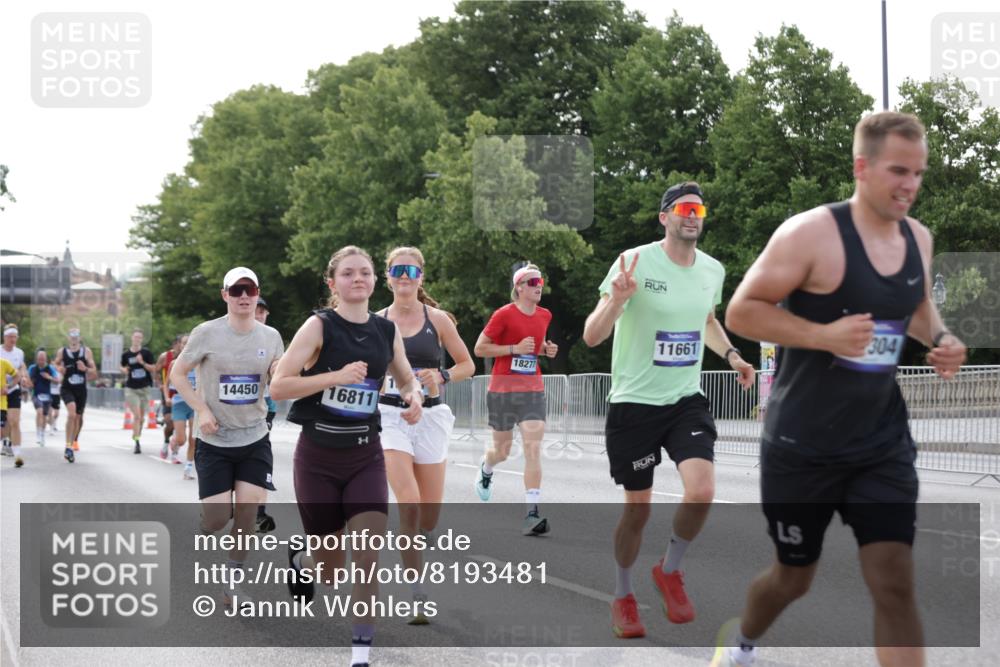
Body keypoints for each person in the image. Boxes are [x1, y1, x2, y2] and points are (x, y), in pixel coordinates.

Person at [712, 111, 967, 667]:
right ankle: (741, 643)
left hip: (880, 443)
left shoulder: (917, 238)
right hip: (802, 448)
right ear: (862, 167)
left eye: (919, 173)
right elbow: (742, 311)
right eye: (899, 171)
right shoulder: (811, 234)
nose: (911, 186)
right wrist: (821, 335)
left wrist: (942, 336)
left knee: (894, 580)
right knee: (793, 578)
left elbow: (917, 306)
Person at [582, 181, 755, 638]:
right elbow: (592, 336)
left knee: (701, 491)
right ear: (664, 217)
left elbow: (707, 319)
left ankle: (669, 569)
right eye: (682, 208)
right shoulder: (633, 263)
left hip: (684, 400)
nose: (692, 215)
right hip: (634, 405)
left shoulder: (712, 270)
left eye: (699, 208)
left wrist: (733, 355)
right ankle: (623, 594)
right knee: (637, 513)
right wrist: (618, 299)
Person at [270, 245, 423, 667]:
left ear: (375, 281)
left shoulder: (385, 331)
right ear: (332, 282)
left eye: (366, 273)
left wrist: (413, 397)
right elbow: (278, 387)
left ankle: (360, 655)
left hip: (364, 455)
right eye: (349, 273)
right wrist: (334, 377)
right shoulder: (318, 326)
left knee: (368, 556)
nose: (358, 279)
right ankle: (301, 558)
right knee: (331, 571)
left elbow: (406, 377)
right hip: (317, 459)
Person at [169, 267, 284, 610]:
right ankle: (213, 517)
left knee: (248, 511)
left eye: (249, 290)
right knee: (219, 519)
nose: (244, 296)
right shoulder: (206, 333)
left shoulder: (271, 336)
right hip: (215, 441)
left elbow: (278, 374)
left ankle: (232, 581)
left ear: (257, 292)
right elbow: (178, 373)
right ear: (225, 296)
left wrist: (281, 375)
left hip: (254, 437)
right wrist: (202, 410)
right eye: (236, 291)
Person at [377, 246, 474, 623]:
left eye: (411, 271)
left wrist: (443, 375)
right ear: (387, 276)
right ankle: (417, 594)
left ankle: (418, 537)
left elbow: (466, 363)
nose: (404, 276)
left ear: (421, 277)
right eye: (398, 270)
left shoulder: (438, 320)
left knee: (428, 517)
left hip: (431, 419)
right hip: (390, 416)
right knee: (411, 504)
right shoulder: (375, 322)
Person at [473, 263, 558, 536]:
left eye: (540, 281)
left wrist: (547, 349)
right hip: (502, 390)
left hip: (532, 388)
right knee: (503, 451)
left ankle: (531, 514)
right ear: (519, 287)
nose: (538, 286)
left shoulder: (545, 315)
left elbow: (537, 344)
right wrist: (513, 349)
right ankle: (487, 469)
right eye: (533, 282)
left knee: (533, 448)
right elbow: (479, 348)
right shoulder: (504, 315)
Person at [54, 328, 96, 463]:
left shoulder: (86, 351)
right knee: (71, 414)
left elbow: (94, 372)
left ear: (79, 338)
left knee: (78, 418)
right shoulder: (62, 351)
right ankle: (67, 445)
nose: (73, 338)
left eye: (76, 336)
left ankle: (71, 446)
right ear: (68, 338)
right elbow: (55, 363)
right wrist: (59, 368)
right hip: (67, 388)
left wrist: (86, 368)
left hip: (81, 390)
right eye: (71, 336)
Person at [254, 297, 277, 532]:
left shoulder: (273, 338)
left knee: (261, 459)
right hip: (234, 410)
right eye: (255, 311)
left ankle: (260, 513)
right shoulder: (233, 337)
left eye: (263, 311)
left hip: (265, 407)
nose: (259, 315)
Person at [120, 328, 157, 454]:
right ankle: (137, 442)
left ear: (142, 339)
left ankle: (137, 435)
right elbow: (122, 366)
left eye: (139, 337)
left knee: (141, 419)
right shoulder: (126, 354)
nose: (137, 339)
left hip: (144, 388)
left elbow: (153, 368)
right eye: (135, 337)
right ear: (132, 338)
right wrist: (124, 370)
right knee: (136, 416)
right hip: (131, 388)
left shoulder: (146, 353)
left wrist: (142, 363)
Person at [168, 334, 198, 479]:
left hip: (194, 404)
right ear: (180, 345)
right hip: (179, 403)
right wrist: (167, 397)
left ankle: (188, 469)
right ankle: (174, 441)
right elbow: (168, 383)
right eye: (184, 343)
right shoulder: (174, 363)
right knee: (181, 439)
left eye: (189, 343)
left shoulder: (199, 363)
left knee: (194, 438)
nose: (187, 345)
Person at [1, 326, 30, 465]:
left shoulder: (19, 352)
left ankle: (17, 455)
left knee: (14, 421)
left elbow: (20, 368)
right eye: (10, 337)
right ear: (4, 337)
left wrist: (22, 377)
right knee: (4, 424)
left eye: (15, 337)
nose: (13, 340)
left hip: (12, 390)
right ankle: (5, 441)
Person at [155, 336, 184, 452]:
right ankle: (166, 441)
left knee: (180, 423)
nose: (180, 347)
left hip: (183, 392)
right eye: (179, 344)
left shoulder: (190, 357)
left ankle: (175, 449)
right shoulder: (165, 357)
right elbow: (156, 371)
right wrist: (160, 385)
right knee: (169, 422)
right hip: (169, 391)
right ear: (175, 345)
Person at [28, 349, 59, 447]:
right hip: (36, 394)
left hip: (47, 395)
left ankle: (42, 435)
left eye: (43, 359)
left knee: (45, 416)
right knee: (39, 411)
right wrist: (29, 384)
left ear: (46, 359)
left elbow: (57, 380)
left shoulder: (50, 368)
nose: (41, 361)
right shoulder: (32, 368)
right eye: (39, 359)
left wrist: (48, 377)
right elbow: (28, 380)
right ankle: (38, 434)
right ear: (37, 359)